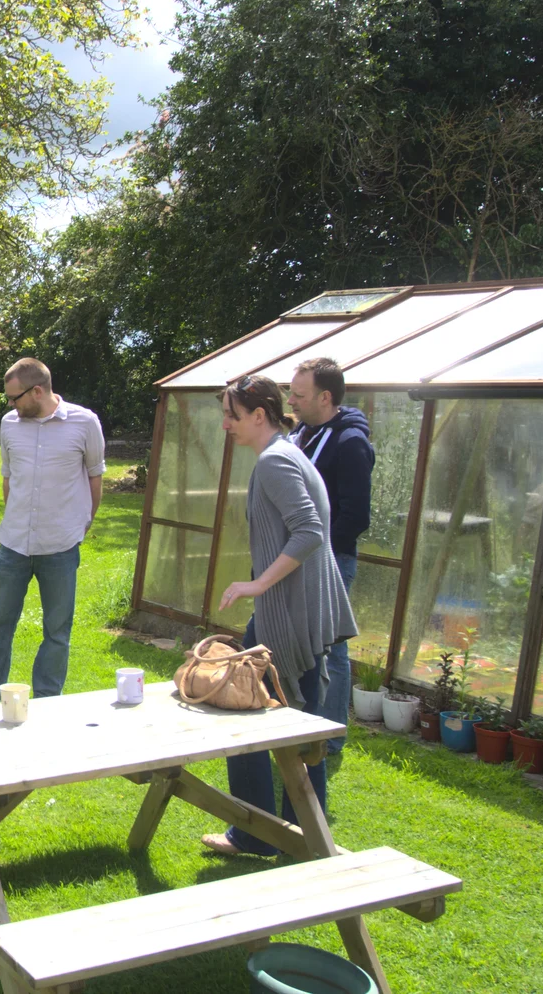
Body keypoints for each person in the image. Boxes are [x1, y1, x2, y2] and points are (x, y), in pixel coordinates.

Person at [201, 376, 356, 857]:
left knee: (250, 716)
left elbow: (309, 531)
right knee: (289, 724)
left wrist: (257, 583)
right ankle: (291, 835)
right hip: (299, 610)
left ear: (259, 415)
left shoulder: (274, 462)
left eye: (232, 414)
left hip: (292, 615)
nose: (225, 424)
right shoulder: (288, 451)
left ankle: (274, 836)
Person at [0, 357, 106, 705]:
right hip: (12, 544)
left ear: (38, 391)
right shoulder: (10, 424)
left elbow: (95, 477)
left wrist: (81, 525)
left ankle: (48, 701)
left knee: (57, 631)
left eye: (15, 398)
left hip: (60, 546)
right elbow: (8, 477)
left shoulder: (85, 422)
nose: (10, 405)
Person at [287, 357, 375, 767]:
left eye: (299, 395)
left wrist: (314, 551)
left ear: (325, 396)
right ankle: (300, 726)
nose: (291, 401)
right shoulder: (301, 432)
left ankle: (330, 739)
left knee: (331, 651)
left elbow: (356, 516)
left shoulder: (350, 442)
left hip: (330, 561)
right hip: (298, 558)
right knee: (301, 646)